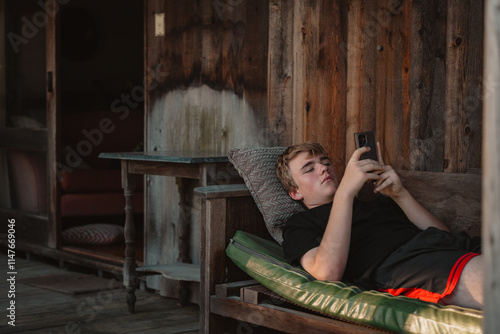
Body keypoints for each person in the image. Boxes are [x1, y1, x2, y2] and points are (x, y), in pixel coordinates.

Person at [276, 141, 483, 309]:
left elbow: (443, 235)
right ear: (295, 192)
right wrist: (344, 193)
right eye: (309, 169)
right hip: (403, 265)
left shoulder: (376, 203)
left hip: (445, 246)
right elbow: (327, 272)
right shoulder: (299, 224)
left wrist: (400, 194)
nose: (323, 168)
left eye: (325, 162)